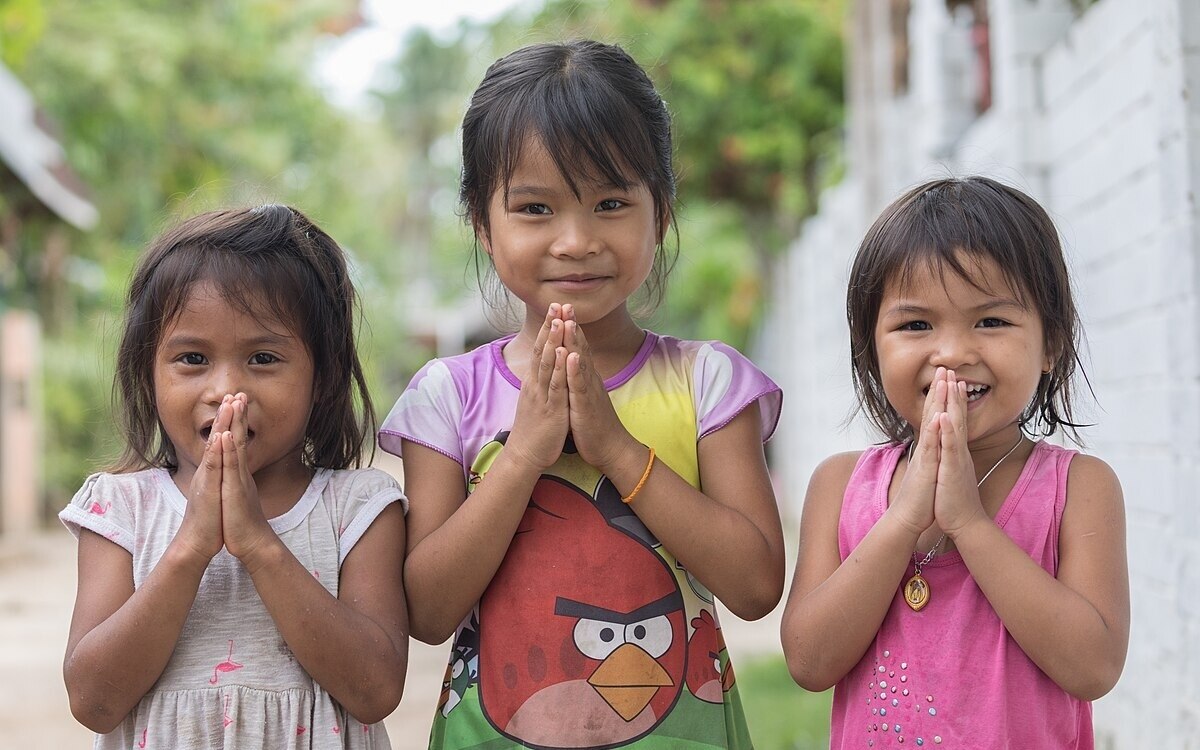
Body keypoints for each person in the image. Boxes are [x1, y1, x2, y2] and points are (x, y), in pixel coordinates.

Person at [379, 40, 785, 749]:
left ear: (660, 213)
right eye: (535, 208)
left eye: (609, 203)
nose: (575, 240)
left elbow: (755, 586)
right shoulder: (447, 397)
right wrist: (525, 454)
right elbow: (427, 610)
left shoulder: (706, 383)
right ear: (482, 220)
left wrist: (618, 451)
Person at [780, 177, 1129, 748]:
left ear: (1051, 344)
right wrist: (904, 519)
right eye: (916, 325)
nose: (952, 353)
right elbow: (809, 662)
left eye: (991, 321)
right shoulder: (841, 486)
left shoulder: (1079, 489)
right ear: (871, 349)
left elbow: (1093, 668)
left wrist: (969, 524)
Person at [60, 205, 409, 749]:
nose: (226, 389)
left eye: (264, 357)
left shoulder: (359, 508)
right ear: (147, 372)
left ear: (323, 377)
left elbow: (376, 688)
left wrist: (257, 544)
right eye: (193, 358)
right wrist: (193, 545)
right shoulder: (120, 508)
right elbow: (94, 701)